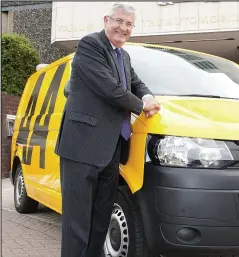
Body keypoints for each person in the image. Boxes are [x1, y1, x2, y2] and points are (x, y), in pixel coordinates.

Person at [54, 3, 161, 257]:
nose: (123, 28)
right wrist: (142, 107)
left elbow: (135, 82)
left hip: (112, 149)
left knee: (100, 221)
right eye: (119, 21)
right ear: (106, 20)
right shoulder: (91, 45)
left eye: (128, 24)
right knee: (77, 224)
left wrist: (148, 97)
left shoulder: (124, 56)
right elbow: (109, 88)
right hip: (81, 147)